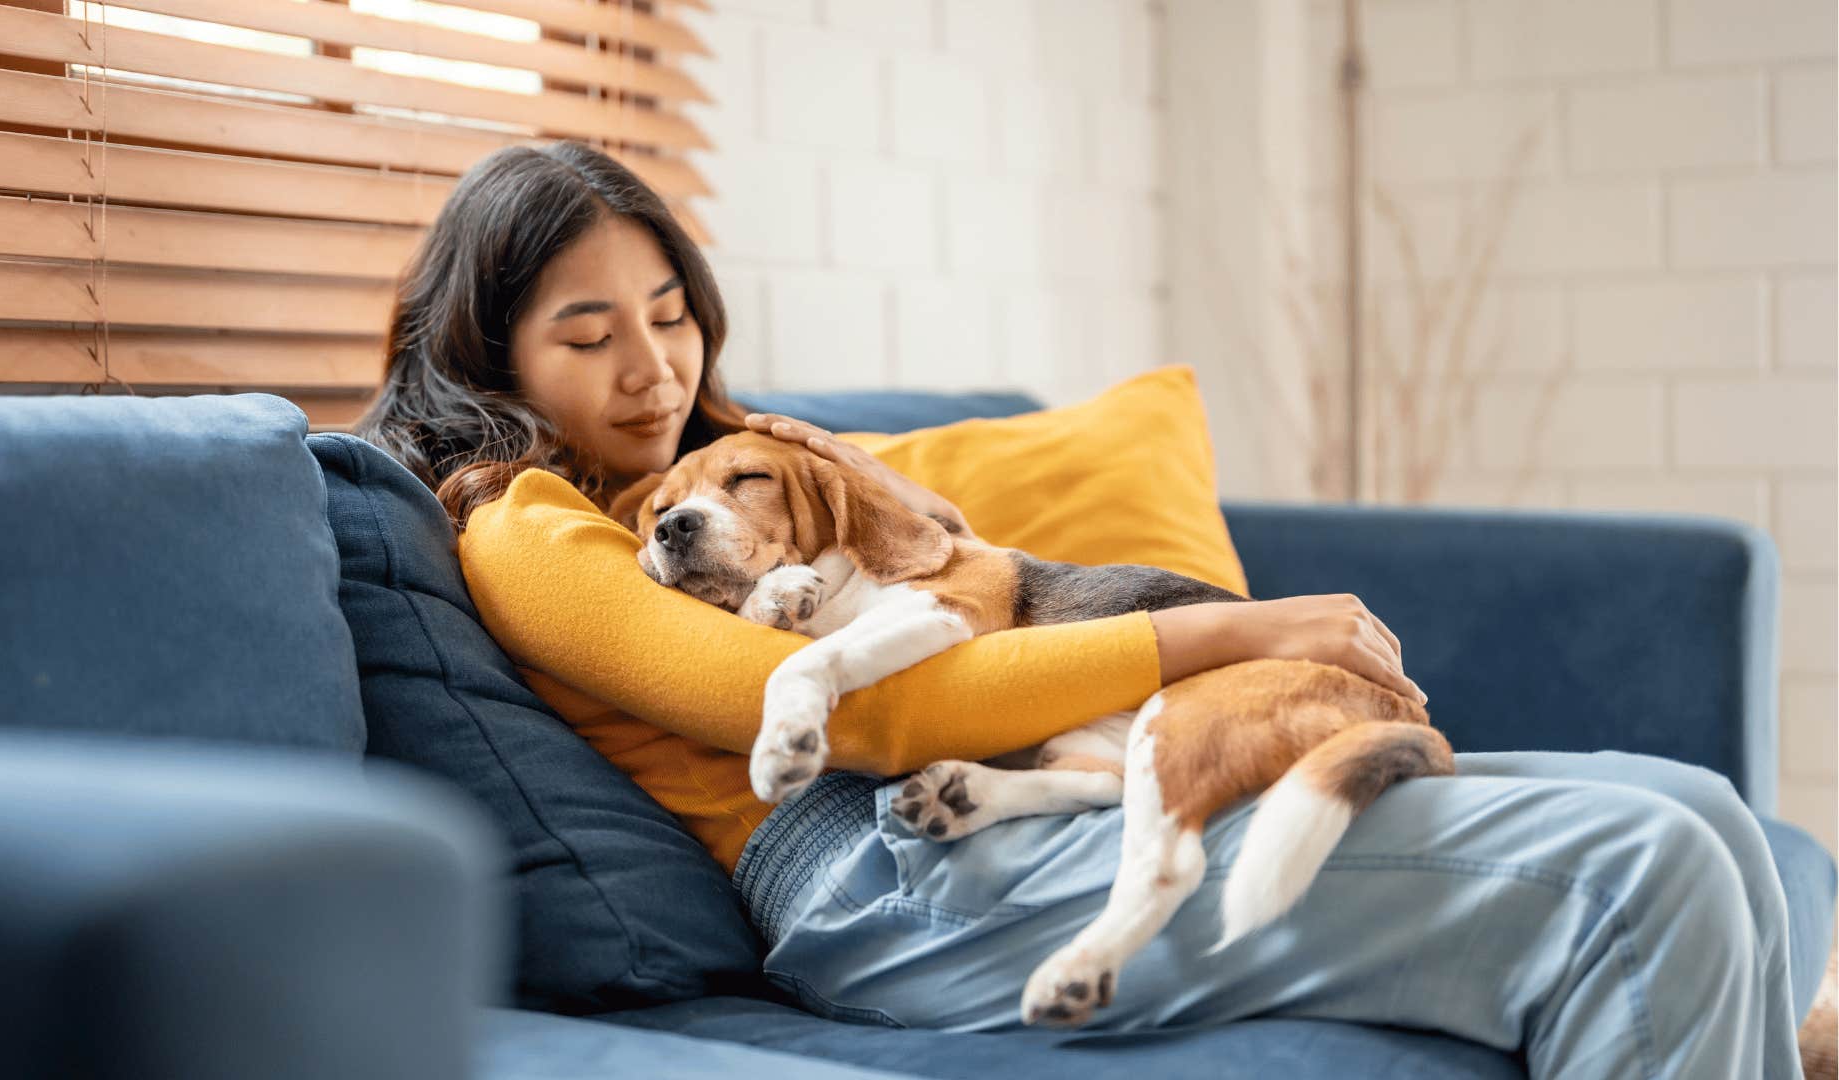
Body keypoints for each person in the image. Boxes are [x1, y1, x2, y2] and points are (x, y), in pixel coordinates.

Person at [358, 142, 1809, 1079]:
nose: (650, 368)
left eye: (670, 313)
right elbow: (869, 712)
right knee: (1644, 873)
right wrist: (1234, 630)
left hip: (1034, 792)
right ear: (489, 354)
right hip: (880, 869)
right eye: (588, 333)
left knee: (1708, 820)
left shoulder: (736, 464)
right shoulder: (527, 523)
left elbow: (950, 561)